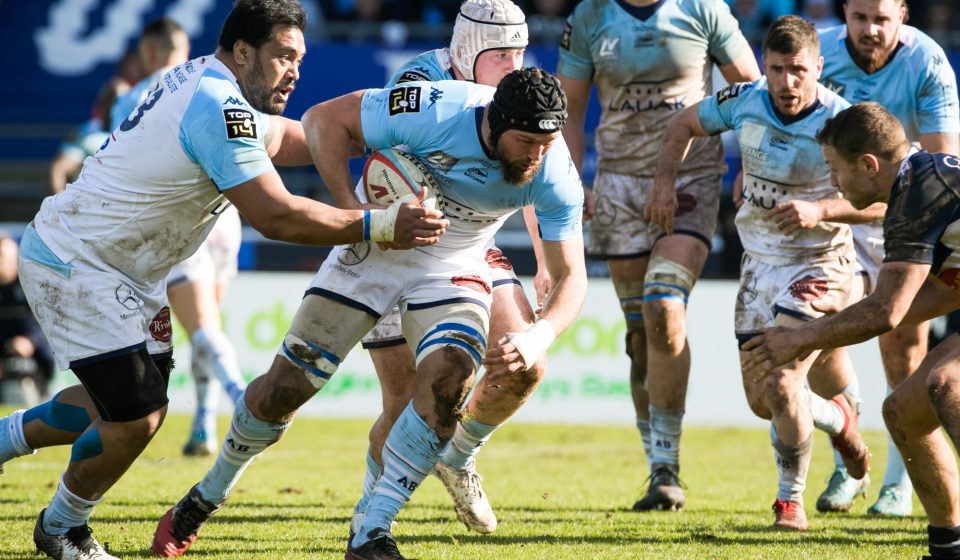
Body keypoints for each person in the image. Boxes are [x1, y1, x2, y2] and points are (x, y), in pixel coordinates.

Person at [0, 1, 445, 558]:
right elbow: (276, 215)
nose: (295, 71)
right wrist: (381, 224)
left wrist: (372, 137)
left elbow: (286, 138)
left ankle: (4, 439)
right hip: (80, 262)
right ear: (242, 51)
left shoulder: (211, 85)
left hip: (116, 266)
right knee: (136, 418)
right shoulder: (217, 105)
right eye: (283, 56)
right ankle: (62, 527)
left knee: (111, 405)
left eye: (300, 59)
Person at [151, 68, 586, 560]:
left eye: (547, 142)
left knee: (450, 382)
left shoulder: (554, 170)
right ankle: (202, 499)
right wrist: (358, 217)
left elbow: (572, 276)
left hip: (452, 265)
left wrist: (539, 335)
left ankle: (372, 531)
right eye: (527, 141)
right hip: (373, 249)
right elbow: (322, 120)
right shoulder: (436, 109)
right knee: (283, 391)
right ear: (494, 121)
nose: (538, 154)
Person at [646, 16, 870, 530]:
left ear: (818, 67)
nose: (787, 82)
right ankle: (841, 419)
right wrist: (664, 183)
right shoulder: (744, 100)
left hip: (820, 265)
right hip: (760, 265)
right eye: (777, 69)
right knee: (763, 399)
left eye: (798, 70)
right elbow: (682, 123)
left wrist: (823, 210)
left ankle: (789, 501)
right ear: (764, 68)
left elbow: (884, 202)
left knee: (786, 378)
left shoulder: (844, 122)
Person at [335, 0, 547, 536]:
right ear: (469, 48)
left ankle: (459, 455)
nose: (515, 63)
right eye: (503, 53)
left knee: (526, 363)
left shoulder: (517, 91)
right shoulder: (420, 81)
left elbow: (529, 173)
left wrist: (546, 260)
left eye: (520, 50)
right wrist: (357, 216)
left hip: (473, 242)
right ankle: (370, 514)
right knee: (405, 400)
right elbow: (381, 165)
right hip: (404, 246)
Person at [556, 0, 760, 511]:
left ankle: (668, 467)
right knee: (638, 339)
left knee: (664, 308)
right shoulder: (589, 15)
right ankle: (657, 467)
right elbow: (571, 109)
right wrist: (573, 181)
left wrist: (753, 165)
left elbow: (753, 89)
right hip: (619, 185)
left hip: (691, 177)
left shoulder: (703, 8)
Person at [740, 102, 960, 560]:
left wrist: (803, 336)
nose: (833, 184)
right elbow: (943, 293)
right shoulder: (920, 182)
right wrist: (830, 329)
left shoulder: (916, 194)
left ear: (868, 165)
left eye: (834, 170)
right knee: (903, 412)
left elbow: (887, 313)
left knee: (946, 385)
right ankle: (948, 548)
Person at [805, 0, 960, 515]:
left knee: (929, 372)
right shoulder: (817, 53)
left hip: (892, 218)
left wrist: (796, 338)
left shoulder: (929, 63)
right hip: (855, 217)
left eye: (882, 18)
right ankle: (940, 533)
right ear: (843, 13)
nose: (869, 29)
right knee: (891, 392)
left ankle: (899, 487)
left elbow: (892, 308)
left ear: (903, 14)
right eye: (859, 17)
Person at [111, 17, 250, 457]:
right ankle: (205, 425)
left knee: (200, 327)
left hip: (178, 218)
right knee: (208, 326)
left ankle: (241, 399)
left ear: (149, 52)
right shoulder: (209, 82)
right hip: (226, 215)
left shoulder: (139, 94)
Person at [47, 78, 129, 194]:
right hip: (91, 205)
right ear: (102, 104)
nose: (116, 107)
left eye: (123, 102)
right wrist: (61, 202)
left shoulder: (138, 133)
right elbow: (59, 169)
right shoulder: (88, 133)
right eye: (113, 101)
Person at [0, 233, 54, 404]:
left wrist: (30, 341)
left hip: (36, 363)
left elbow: (50, 320)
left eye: (2, 256)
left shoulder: (34, 283)